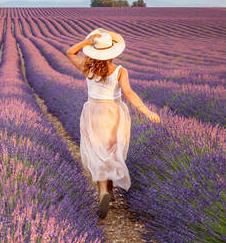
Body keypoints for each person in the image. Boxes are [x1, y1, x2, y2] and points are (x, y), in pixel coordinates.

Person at [65, 28, 160, 219]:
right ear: (112, 52)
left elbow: (69, 52)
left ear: (95, 51)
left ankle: (104, 192)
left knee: (97, 152)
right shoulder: (120, 71)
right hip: (114, 113)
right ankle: (109, 191)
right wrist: (146, 111)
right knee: (109, 152)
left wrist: (87, 42)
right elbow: (129, 93)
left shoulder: (87, 67)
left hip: (93, 112)